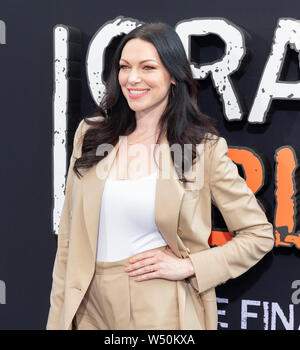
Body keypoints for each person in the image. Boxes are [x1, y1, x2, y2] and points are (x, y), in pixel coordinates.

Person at [46, 22, 274, 330]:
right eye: (124, 67)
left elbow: (258, 235)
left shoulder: (200, 150)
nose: (133, 78)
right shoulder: (91, 134)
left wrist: (190, 266)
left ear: (174, 77)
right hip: (86, 305)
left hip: (158, 307)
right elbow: (69, 238)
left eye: (148, 67)